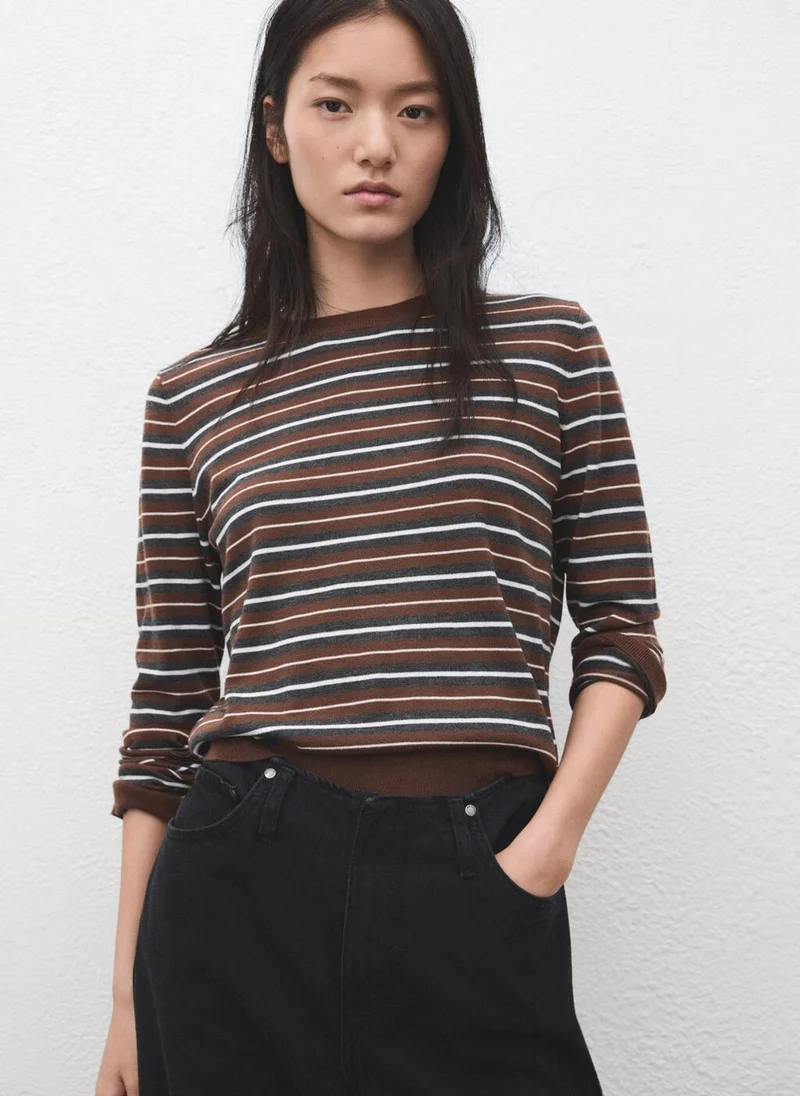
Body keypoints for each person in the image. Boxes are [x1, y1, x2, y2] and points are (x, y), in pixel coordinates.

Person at [96, 2, 667, 1094]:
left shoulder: (548, 351)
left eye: (416, 111)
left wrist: (541, 850)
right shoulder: (193, 398)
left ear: (453, 136)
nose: (375, 145)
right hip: (237, 884)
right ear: (275, 129)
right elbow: (167, 705)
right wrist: (125, 995)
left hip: (480, 860)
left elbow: (621, 631)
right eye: (335, 105)